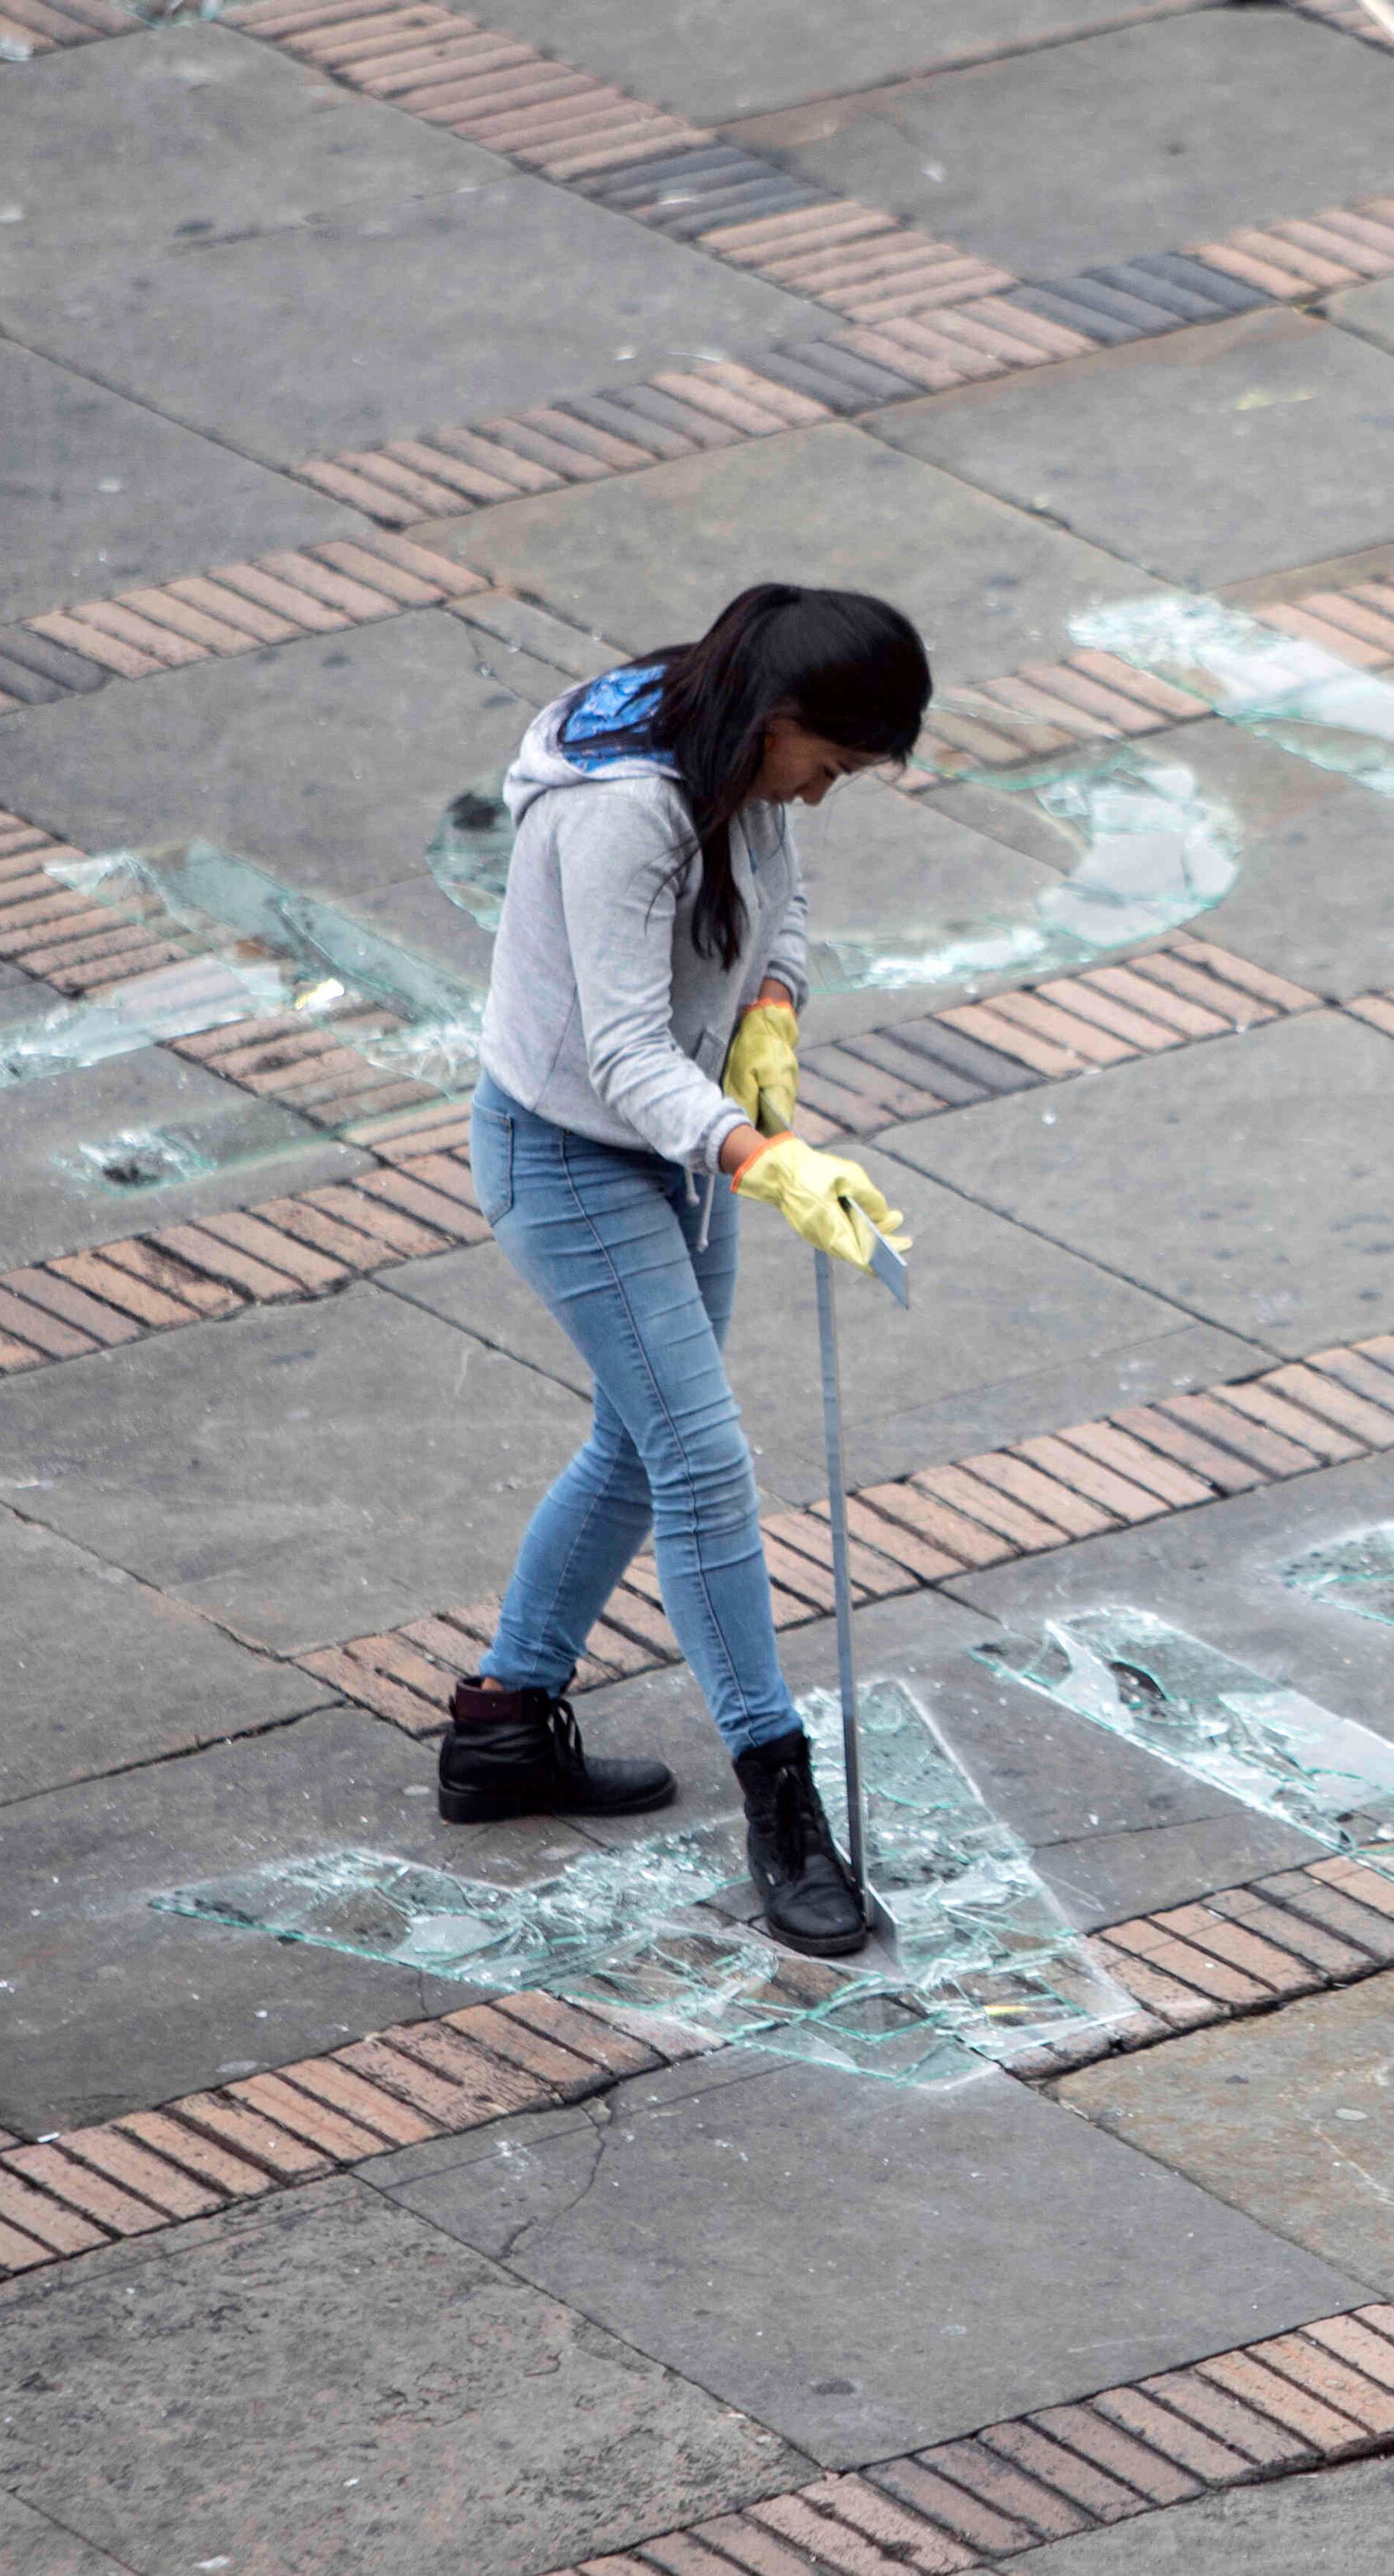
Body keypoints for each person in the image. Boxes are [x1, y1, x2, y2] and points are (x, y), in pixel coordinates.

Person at [439, 584, 926, 1958]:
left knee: (645, 1447)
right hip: (575, 1158)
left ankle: (500, 1728)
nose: (819, 797)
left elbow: (781, 891)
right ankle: (783, 1809)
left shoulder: (735, 752)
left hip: (671, 1148)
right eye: (825, 767)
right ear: (779, 719)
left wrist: (773, 1001)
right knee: (701, 1463)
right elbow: (618, 1049)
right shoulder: (625, 810)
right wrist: (759, 1159)